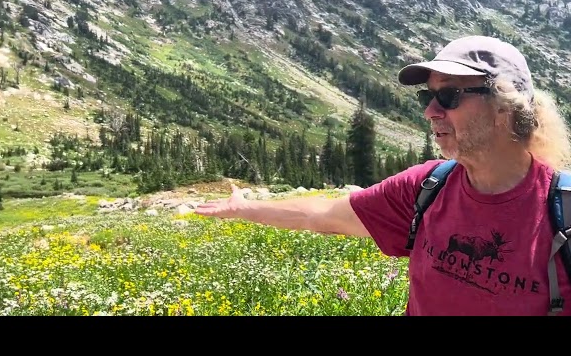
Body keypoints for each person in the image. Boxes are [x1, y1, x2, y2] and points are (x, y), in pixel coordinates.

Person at [194, 34, 571, 316]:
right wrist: (245, 208)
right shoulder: (426, 187)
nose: (431, 112)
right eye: (428, 98)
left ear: (504, 107)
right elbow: (323, 215)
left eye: (450, 97)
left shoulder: (563, 214)